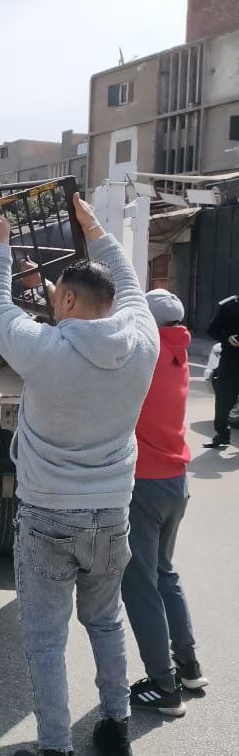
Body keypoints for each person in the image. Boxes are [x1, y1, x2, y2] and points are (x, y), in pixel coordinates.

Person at [0, 193, 158, 756]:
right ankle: (116, 733)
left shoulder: (45, 353)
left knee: (45, 641)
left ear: (73, 303)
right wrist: (98, 231)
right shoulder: (143, 344)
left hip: (49, 518)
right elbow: (129, 287)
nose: (51, 302)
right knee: (105, 623)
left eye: (57, 296)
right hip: (112, 516)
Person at [121, 289, 208, 719]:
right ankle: (188, 666)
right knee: (164, 574)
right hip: (176, 483)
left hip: (145, 486)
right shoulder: (179, 356)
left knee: (140, 586)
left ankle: (162, 685)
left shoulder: (142, 358)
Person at [204, 290, 239, 448]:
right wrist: (228, 338)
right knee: (224, 399)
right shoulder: (229, 306)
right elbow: (212, 329)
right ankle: (222, 434)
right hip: (231, 359)